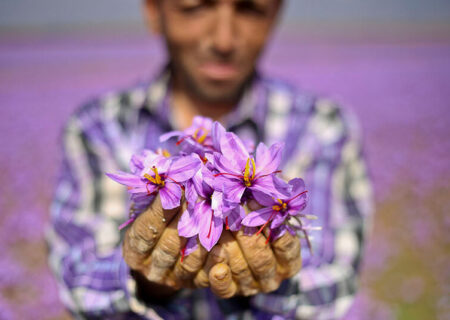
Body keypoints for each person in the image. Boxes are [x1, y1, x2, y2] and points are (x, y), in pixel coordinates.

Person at [47, 0, 373, 319]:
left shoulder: (322, 128)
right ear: (153, 11)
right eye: (195, 7)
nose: (223, 40)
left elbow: (335, 283)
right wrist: (144, 279)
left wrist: (280, 285)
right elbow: (80, 282)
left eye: (250, 8)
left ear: (274, 14)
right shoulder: (99, 128)